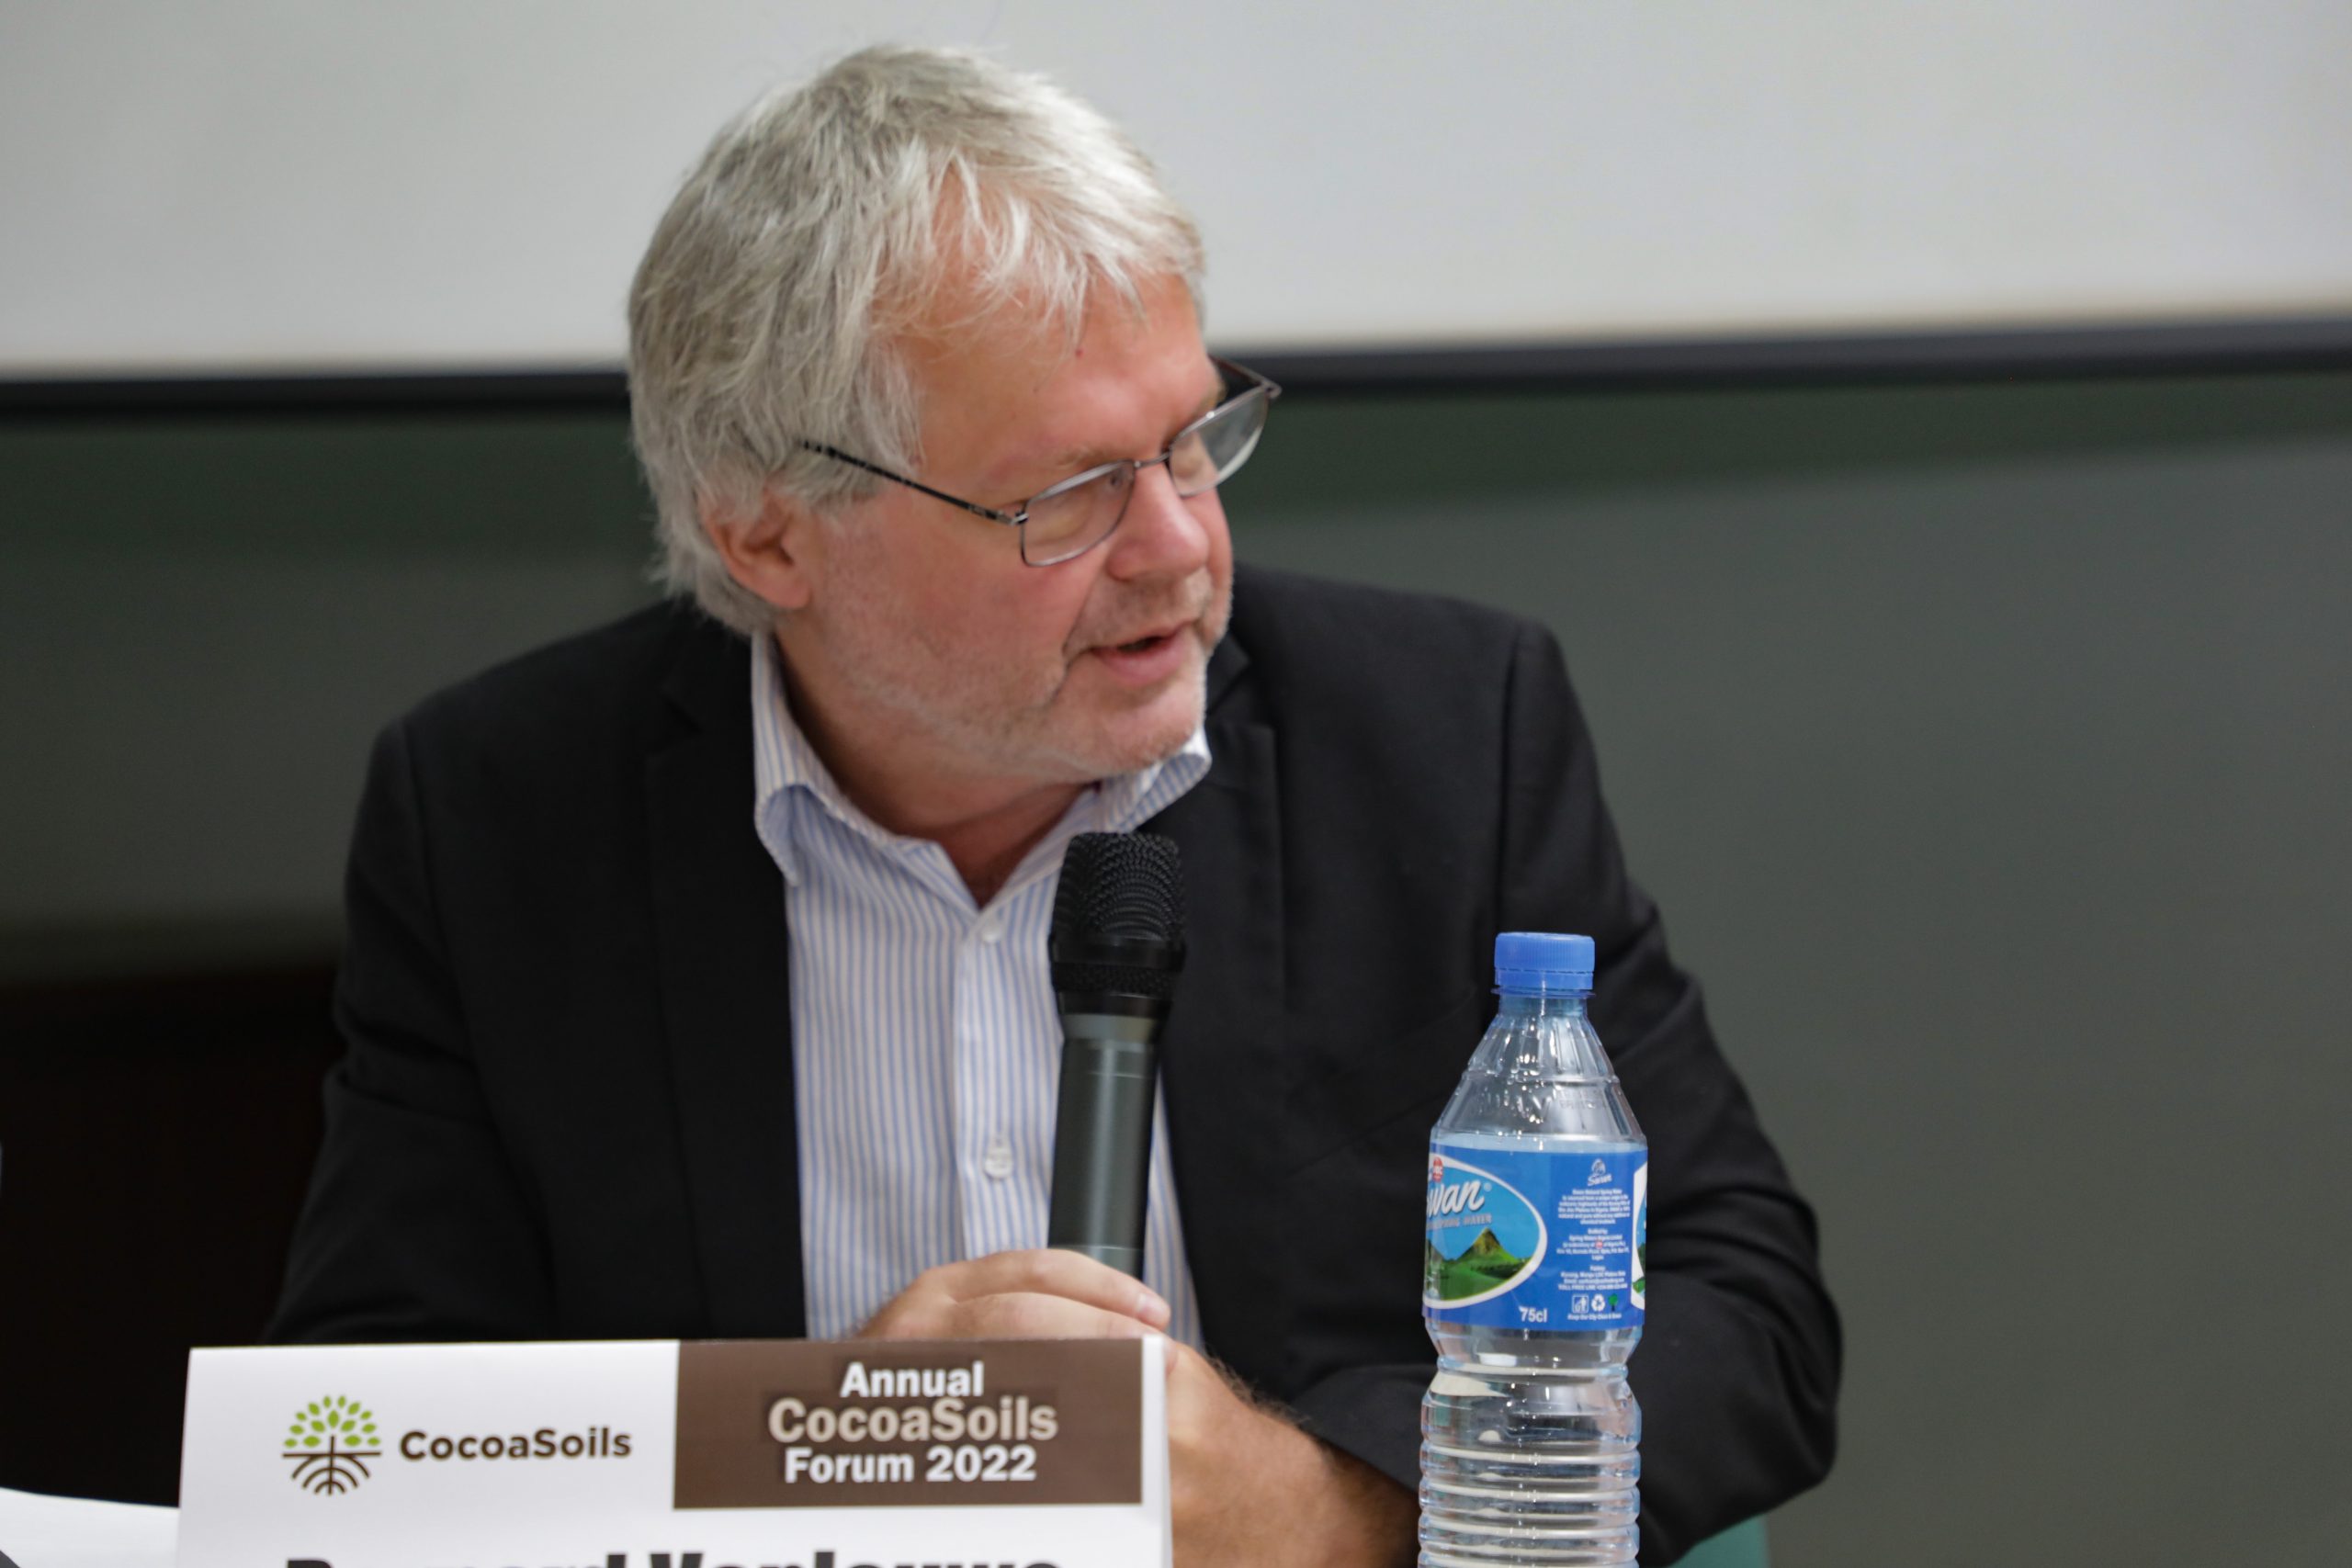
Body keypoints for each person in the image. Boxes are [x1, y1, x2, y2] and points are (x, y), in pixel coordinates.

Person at [273, 45, 1838, 1566]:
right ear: (767, 535)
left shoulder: (1436, 737)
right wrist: (807, 1444)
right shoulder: (502, 816)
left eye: (1193, 445)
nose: (1178, 548)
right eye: (1071, 495)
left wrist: (1336, 1509)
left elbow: (1743, 1306)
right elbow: (364, 1434)